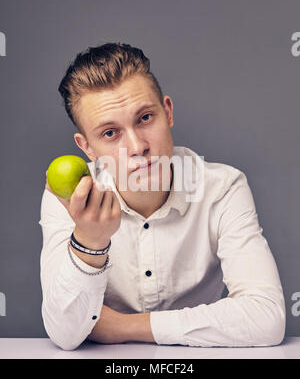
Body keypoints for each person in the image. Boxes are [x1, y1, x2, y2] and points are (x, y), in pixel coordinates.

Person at [39, 42, 286, 351]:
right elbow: (64, 334)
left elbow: (267, 318)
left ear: (167, 112)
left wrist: (122, 327)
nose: (138, 146)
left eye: (144, 118)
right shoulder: (73, 197)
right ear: (87, 147)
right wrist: (89, 243)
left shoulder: (222, 188)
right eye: (110, 133)